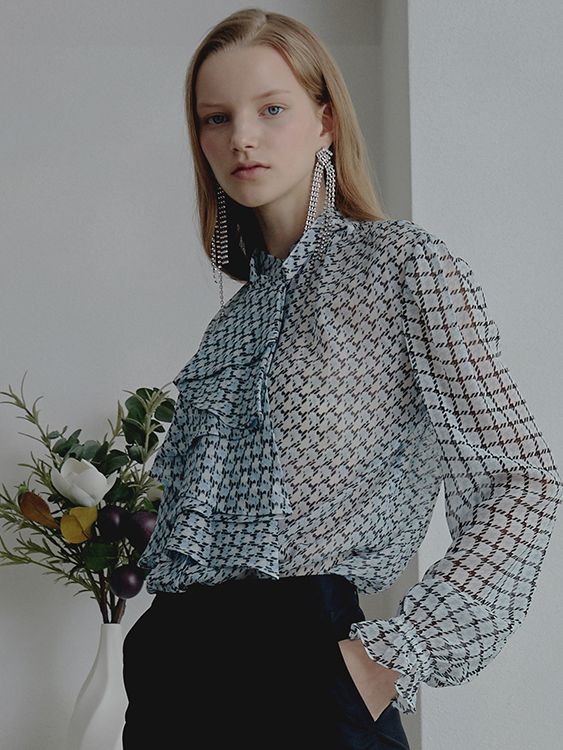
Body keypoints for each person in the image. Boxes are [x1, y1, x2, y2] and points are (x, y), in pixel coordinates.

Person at [122, 7, 563, 749]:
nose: (241, 138)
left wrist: (392, 656)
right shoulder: (227, 327)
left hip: (307, 670)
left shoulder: (400, 266)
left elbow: (522, 478)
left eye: (271, 109)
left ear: (324, 121)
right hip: (175, 673)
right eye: (215, 118)